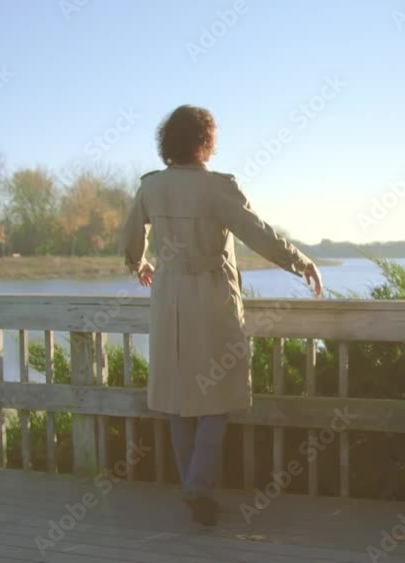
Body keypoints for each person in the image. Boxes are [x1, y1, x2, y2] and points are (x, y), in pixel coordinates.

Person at [120, 104, 322, 525]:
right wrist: (300, 261)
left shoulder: (151, 187)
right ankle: (198, 486)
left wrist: (139, 265)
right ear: (205, 142)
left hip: (169, 299)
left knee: (178, 399)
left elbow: (131, 236)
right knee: (219, 396)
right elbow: (259, 234)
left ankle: (192, 486)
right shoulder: (218, 188)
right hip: (212, 298)